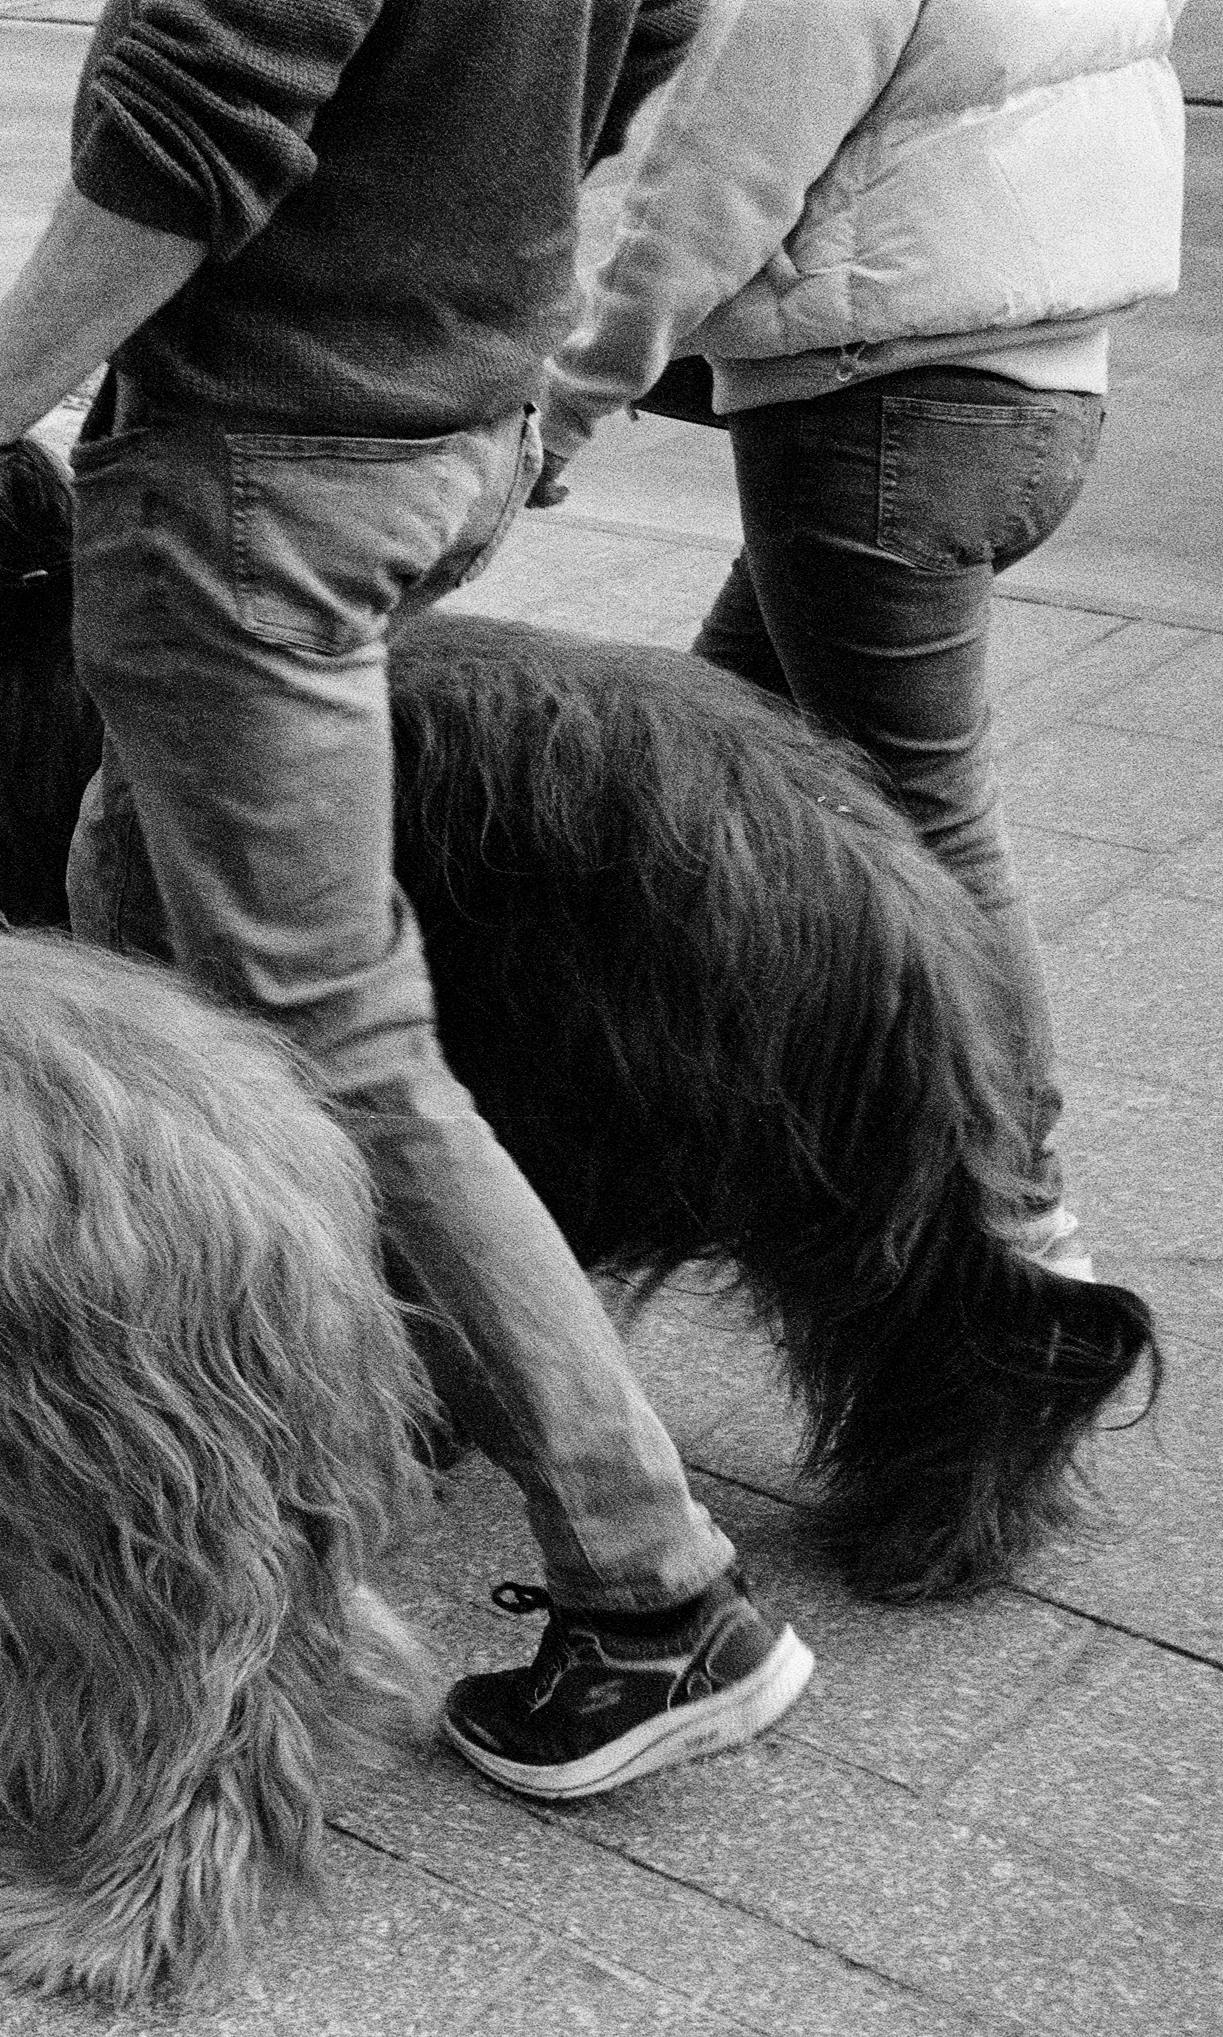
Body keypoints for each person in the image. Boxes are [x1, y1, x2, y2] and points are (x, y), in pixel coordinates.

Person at [0, 0, 816, 1802]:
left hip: (265, 465)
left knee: (343, 1048)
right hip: (434, 424)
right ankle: (180, 1383)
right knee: (129, 913)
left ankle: (653, 1592)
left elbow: (182, 140)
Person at [535, 0, 1188, 1284]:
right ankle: (634, 1157)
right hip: (1038, 393)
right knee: (701, 800)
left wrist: (570, 394)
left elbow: (721, 175)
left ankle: (1019, 1225)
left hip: (875, 419)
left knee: (926, 827)